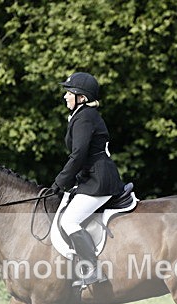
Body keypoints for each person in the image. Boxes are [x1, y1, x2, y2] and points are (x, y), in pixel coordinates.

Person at [50, 72, 125, 287]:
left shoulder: (84, 117)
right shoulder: (82, 115)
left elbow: (78, 155)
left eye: (69, 93)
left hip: (99, 180)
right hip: (91, 177)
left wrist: (60, 182)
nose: (65, 96)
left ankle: (91, 270)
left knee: (69, 221)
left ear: (81, 97)